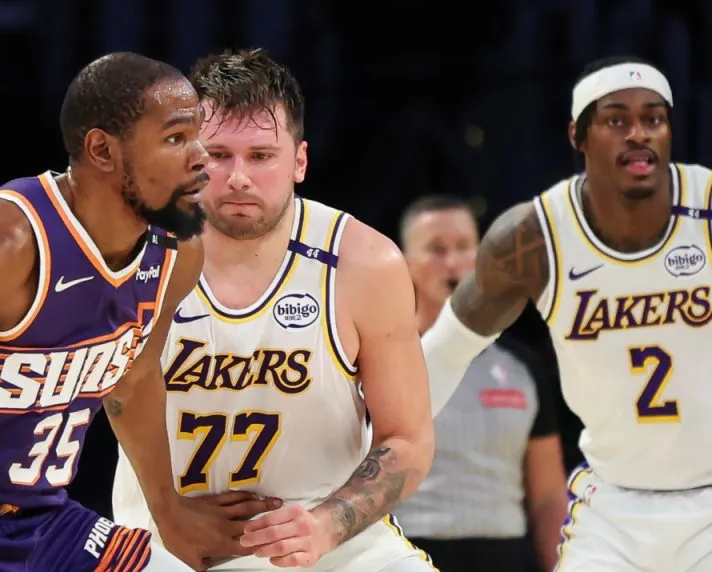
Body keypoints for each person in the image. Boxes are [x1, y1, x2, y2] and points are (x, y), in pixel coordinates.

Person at [0, 51, 281, 572]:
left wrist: (169, 510)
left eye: (197, 136)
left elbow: (134, 379)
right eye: (176, 139)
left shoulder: (176, 250)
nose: (202, 157)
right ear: (102, 150)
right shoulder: (3, 243)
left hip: (44, 524)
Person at [111, 48, 436, 571]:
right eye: (218, 155)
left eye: (261, 156)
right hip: (166, 537)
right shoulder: (133, 257)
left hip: (329, 539)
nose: (239, 177)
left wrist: (328, 524)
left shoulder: (363, 262)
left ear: (299, 161)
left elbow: (409, 439)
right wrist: (168, 514)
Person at [421, 55, 712, 571]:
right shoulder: (531, 238)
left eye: (653, 119)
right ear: (578, 136)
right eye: (616, 120)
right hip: (614, 506)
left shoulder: (706, 209)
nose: (638, 133)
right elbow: (442, 355)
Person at [392, 195, 567, 572]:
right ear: (405, 264)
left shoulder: (522, 366)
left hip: (506, 554)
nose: (452, 262)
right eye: (436, 250)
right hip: (408, 551)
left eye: (463, 247)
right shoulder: (379, 361)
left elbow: (549, 495)